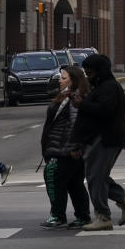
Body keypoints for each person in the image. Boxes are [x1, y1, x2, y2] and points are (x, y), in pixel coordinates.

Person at [70, 54, 125, 231]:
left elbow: (104, 111)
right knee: (97, 176)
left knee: (96, 177)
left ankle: (103, 216)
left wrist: (82, 104)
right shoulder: (99, 87)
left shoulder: (109, 88)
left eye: (90, 70)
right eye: (86, 70)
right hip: (99, 138)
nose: (87, 73)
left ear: (99, 70)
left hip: (107, 139)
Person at [39, 65, 92, 230]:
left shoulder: (73, 98)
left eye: (63, 78)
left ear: (73, 80)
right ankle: (82, 216)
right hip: (64, 149)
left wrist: (76, 146)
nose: (60, 80)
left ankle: (57, 215)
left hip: (64, 150)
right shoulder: (67, 96)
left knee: (52, 177)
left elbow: (76, 124)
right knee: (74, 184)